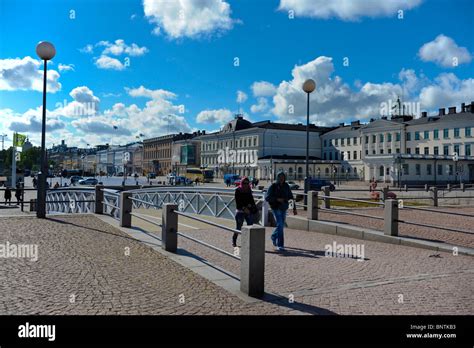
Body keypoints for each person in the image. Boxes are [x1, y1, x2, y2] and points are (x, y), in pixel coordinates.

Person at [265, 171, 297, 252]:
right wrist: (277, 199)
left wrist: (294, 208)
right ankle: (280, 245)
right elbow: (267, 198)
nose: (282, 178)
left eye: (283, 177)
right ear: (277, 177)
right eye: (280, 177)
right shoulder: (273, 186)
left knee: (281, 225)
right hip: (276, 208)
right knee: (280, 224)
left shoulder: (286, 186)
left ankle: (273, 236)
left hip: (284, 208)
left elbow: (291, 197)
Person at [233, 177, 257, 248]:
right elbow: (238, 202)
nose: (246, 185)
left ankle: (247, 242)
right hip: (240, 211)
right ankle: (234, 241)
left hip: (248, 211)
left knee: (250, 226)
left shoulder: (249, 190)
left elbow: (252, 201)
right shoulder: (238, 190)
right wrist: (244, 208)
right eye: (244, 183)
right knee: (238, 227)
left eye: (247, 183)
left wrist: (251, 206)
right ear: (241, 183)